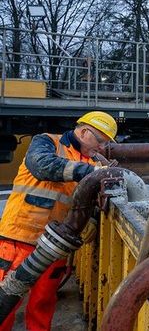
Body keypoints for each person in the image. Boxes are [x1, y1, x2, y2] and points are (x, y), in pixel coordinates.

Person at [0, 111, 117, 331]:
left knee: (43, 302)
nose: (102, 148)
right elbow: (42, 166)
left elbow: (84, 200)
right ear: (83, 132)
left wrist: (91, 219)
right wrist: (93, 172)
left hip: (55, 245)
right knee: (6, 300)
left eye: (106, 144)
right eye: (100, 141)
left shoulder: (90, 161)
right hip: (19, 237)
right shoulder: (46, 142)